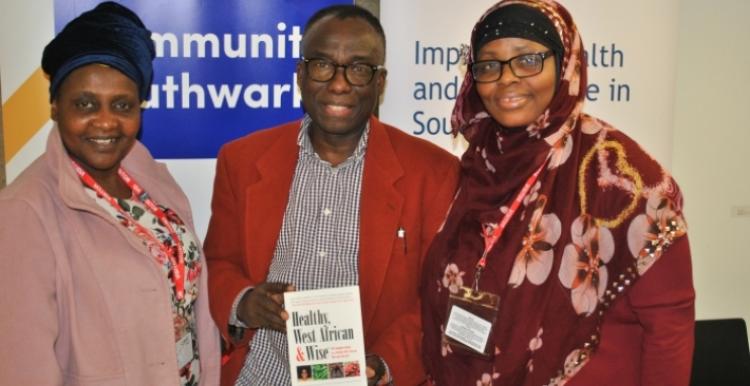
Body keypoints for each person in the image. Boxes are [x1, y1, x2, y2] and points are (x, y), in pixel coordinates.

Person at [420, 1, 695, 385]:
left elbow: (669, 326)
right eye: (489, 65)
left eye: (527, 60)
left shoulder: (623, 177)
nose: (506, 79)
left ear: (565, 63)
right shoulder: (476, 168)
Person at [203, 4, 459, 386]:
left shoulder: (433, 172)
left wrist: (384, 365)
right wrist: (243, 302)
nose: (339, 85)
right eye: (323, 65)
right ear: (301, 74)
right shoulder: (241, 160)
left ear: (380, 83)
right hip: (261, 374)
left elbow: (438, 298)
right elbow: (218, 261)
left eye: (358, 69)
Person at [0, 2, 220, 385]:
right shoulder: (23, 212)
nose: (105, 121)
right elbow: (24, 367)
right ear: (54, 106)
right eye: (84, 104)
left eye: (122, 105)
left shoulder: (153, 182)